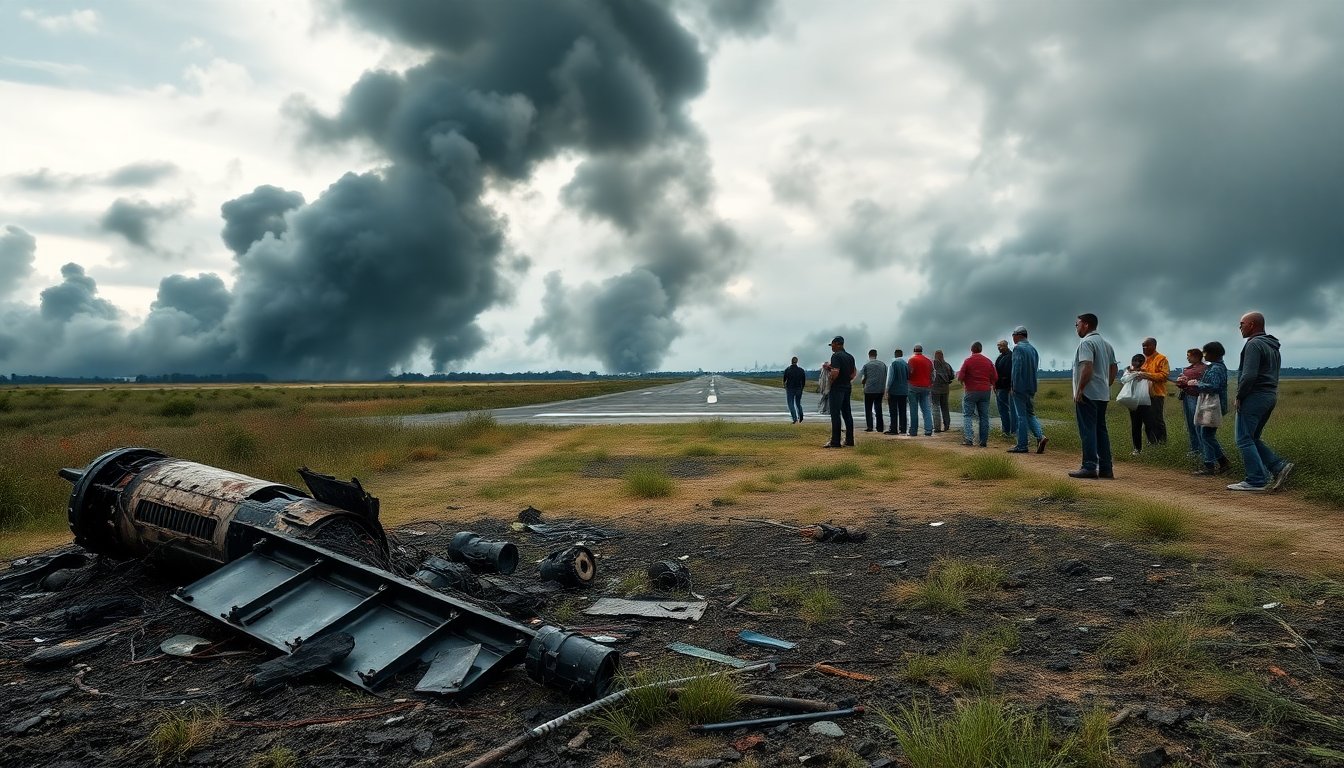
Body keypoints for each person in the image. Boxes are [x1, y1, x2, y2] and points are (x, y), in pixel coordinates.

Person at [1228, 312, 1293, 492]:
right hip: (1269, 395)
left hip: (1254, 396)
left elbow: (1249, 375)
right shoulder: (1272, 345)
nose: (1239, 327)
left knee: (1243, 438)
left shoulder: (1254, 344)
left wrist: (1240, 396)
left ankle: (1256, 479)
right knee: (1253, 437)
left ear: (1251, 324)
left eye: (1241, 324)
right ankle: (1279, 466)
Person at [1069, 313, 1118, 479]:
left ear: (1086, 325)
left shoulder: (1086, 342)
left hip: (1088, 393)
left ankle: (1089, 466)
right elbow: (1113, 368)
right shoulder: (1106, 344)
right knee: (1100, 430)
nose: (1076, 328)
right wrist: (1106, 384)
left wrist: (1080, 389)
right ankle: (1106, 468)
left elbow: (1087, 367)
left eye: (1077, 325)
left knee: (1087, 429)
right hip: (1102, 394)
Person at [1186, 341, 1231, 476]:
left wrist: (1197, 385)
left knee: (1206, 435)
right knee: (1207, 435)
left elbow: (1214, 386)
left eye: (1205, 353)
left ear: (1212, 354)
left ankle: (1212, 464)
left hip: (1213, 405)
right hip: (1212, 404)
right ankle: (1218, 463)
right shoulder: (1216, 366)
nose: (1203, 356)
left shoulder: (1216, 368)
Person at [1006, 325, 1047, 454]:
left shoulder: (1018, 348)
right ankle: (1040, 437)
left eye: (1013, 334)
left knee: (1021, 416)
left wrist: (1013, 386)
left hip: (1020, 387)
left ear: (1018, 335)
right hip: (1031, 386)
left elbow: (1016, 369)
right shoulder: (1033, 349)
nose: (1012, 337)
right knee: (1029, 414)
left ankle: (1022, 445)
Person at [956, 341, 997, 447]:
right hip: (985, 391)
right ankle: (983, 441)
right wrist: (990, 383)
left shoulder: (968, 361)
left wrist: (963, 380)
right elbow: (995, 377)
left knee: (967, 415)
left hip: (971, 390)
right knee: (984, 416)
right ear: (981, 349)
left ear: (972, 349)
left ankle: (969, 439)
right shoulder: (988, 361)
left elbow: (960, 376)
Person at [824, 336, 856, 448]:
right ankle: (850, 440)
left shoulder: (836, 356)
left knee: (835, 414)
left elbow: (835, 372)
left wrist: (830, 382)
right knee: (847, 414)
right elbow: (853, 374)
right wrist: (846, 379)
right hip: (847, 386)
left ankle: (835, 441)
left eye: (832, 344)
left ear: (837, 344)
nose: (831, 347)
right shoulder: (850, 357)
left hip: (837, 388)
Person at [1175, 348, 1208, 458]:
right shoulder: (1187, 369)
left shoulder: (1204, 368)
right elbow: (1182, 384)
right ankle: (1195, 448)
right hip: (1187, 396)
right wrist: (1181, 382)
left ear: (1196, 356)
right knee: (1190, 423)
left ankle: (1203, 450)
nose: (1187, 358)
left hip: (1197, 397)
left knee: (1198, 423)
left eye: (1189, 355)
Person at [1139, 337, 1170, 445]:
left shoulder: (1161, 359)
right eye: (1143, 346)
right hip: (1143, 394)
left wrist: (1146, 375)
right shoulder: (1142, 359)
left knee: (1157, 419)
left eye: (1147, 345)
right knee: (1146, 420)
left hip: (1157, 393)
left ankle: (1161, 442)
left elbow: (1164, 376)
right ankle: (1151, 442)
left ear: (1154, 346)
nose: (1144, 348)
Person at [1119, 354, 1152, 456]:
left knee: (1149, 425)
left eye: (1139, 361)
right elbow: (1123, 380)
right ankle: (1137, 449)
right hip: (1132, 401)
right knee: (1135, 425)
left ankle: (1151, 446)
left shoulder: (1147, 371)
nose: (1136, 363)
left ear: (1143, 362)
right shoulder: (1128, 371)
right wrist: (1134, 374)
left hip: (1144, 401)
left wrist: (1143, 374)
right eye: (1134, 360)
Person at [906, 345, 934, 437]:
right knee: (926, 409)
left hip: (913, 387)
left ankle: (913, 431)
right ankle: (928, 430)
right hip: (926, 387)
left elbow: (909, 373)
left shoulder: (912, 360)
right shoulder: (928, 361)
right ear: (922, 351)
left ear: (914, 351)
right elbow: (933, 374)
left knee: (914, 410)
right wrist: (930, 383)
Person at [859, 349, 888, 433]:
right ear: (876, 355)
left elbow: (862, 376)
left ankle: (870, 426)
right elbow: (885, 376)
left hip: (869, 390)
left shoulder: (867, 365)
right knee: (878, 408)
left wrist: (864, 382)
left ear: (869, 355)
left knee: (868, 409)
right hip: (880, 390)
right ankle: (880, 427)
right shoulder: (883, 364)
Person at [885, 349, 909, 436]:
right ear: (902, 355)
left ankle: (894, 429)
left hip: (894, 390)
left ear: (895, 355)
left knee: (893, 411)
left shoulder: (893, 363)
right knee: (903, 410)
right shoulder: (906, 364)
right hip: (904, 391)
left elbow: (890, 378)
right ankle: (903, 429)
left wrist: (887, 390)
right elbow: (908, 376)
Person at [931, 350, 955, 433]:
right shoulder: (947, 365)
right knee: (945, 407)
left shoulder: (932, 365)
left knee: (935, 407)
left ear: (935, 356)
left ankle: (937, 427)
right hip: (945, 389)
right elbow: (952, 376)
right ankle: (947, 425)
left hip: (934, 389)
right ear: (942, 356)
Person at [993, 339, 1014, 437]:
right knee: (1002, 410)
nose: (999, 348)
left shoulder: (1010, 356)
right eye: (998, 346)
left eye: (1001, 346)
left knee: (1006, 409)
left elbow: (1011, 373)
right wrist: (994, 384)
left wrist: (1010, 386)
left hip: (1006, 387)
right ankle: (1006, 430)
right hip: (999, 386)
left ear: (1006, 346)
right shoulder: (1000, 357)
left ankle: (1008, 431)